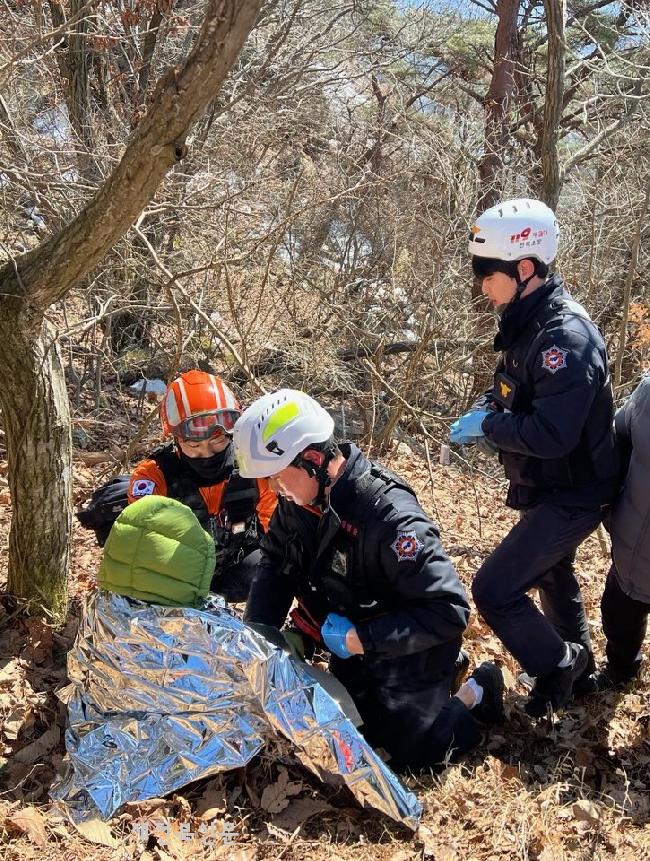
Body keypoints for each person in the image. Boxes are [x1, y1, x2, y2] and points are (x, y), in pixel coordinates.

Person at [232, 389, 505, 772]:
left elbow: (449, 611)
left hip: (408, 647)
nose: (276, 491)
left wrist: (362, 640)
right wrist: (259, 635)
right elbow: (276, 562)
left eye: (278, 478)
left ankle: (478, 688)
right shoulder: (299, 503)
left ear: (313, 460)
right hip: (353, 640)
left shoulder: (390, 518)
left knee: (415, 755)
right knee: (351, 735)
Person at [451, 198, 620, 717]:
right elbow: (514, 389)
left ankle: (558, 665)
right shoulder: (529, 319)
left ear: (524, 269)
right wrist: (488, 408)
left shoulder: (564, 338)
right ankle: (579, 675)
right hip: (552, 485)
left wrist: (492, 427)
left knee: (494, 589)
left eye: (488, 272)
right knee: (552, 574)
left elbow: (552, 434)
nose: (482, 284)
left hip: (577, 490)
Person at [127, 370, 277, 602]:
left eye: (217, 441)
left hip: (234, 566)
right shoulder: (154, 476)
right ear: (176, 439)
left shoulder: (253, 467)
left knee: (274, 568)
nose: (206, 454)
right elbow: (144, 546)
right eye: (194, 445)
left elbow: (277, 528)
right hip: (179, 574)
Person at [588, 374, 650, 690]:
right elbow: (619, 433)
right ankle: (621, 671)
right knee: (617, 616)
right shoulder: (649, 394)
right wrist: (609, 504)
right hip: (633, 549)